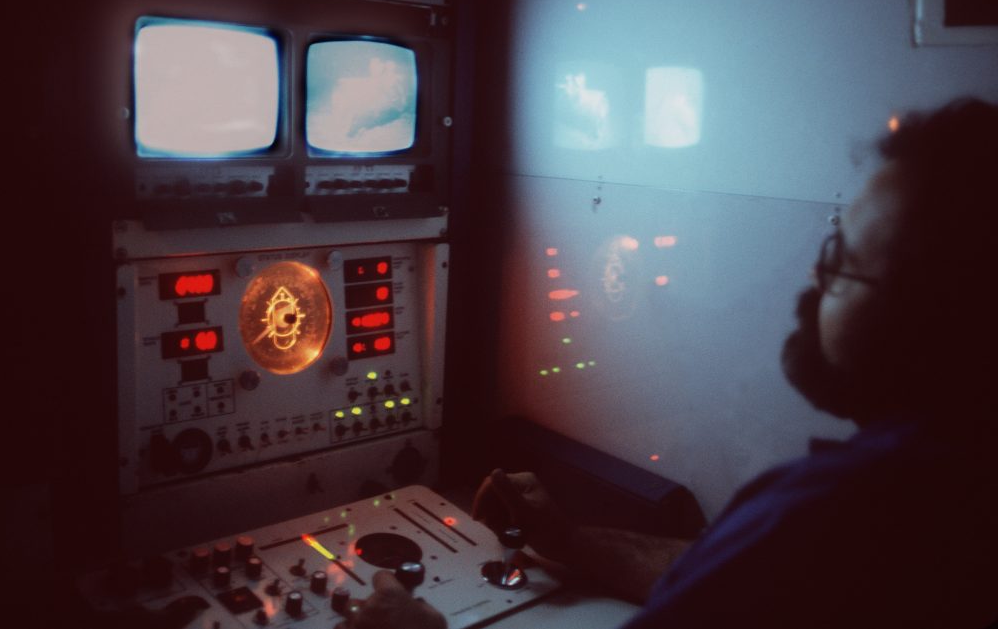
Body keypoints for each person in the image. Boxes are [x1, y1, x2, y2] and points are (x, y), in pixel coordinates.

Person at [335, 98, 998, 629]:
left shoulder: (840, 508)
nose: (810, 287)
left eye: (840, 264)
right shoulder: (948, 486)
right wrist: (571, 539)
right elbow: (742, 579)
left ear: (941, 312)